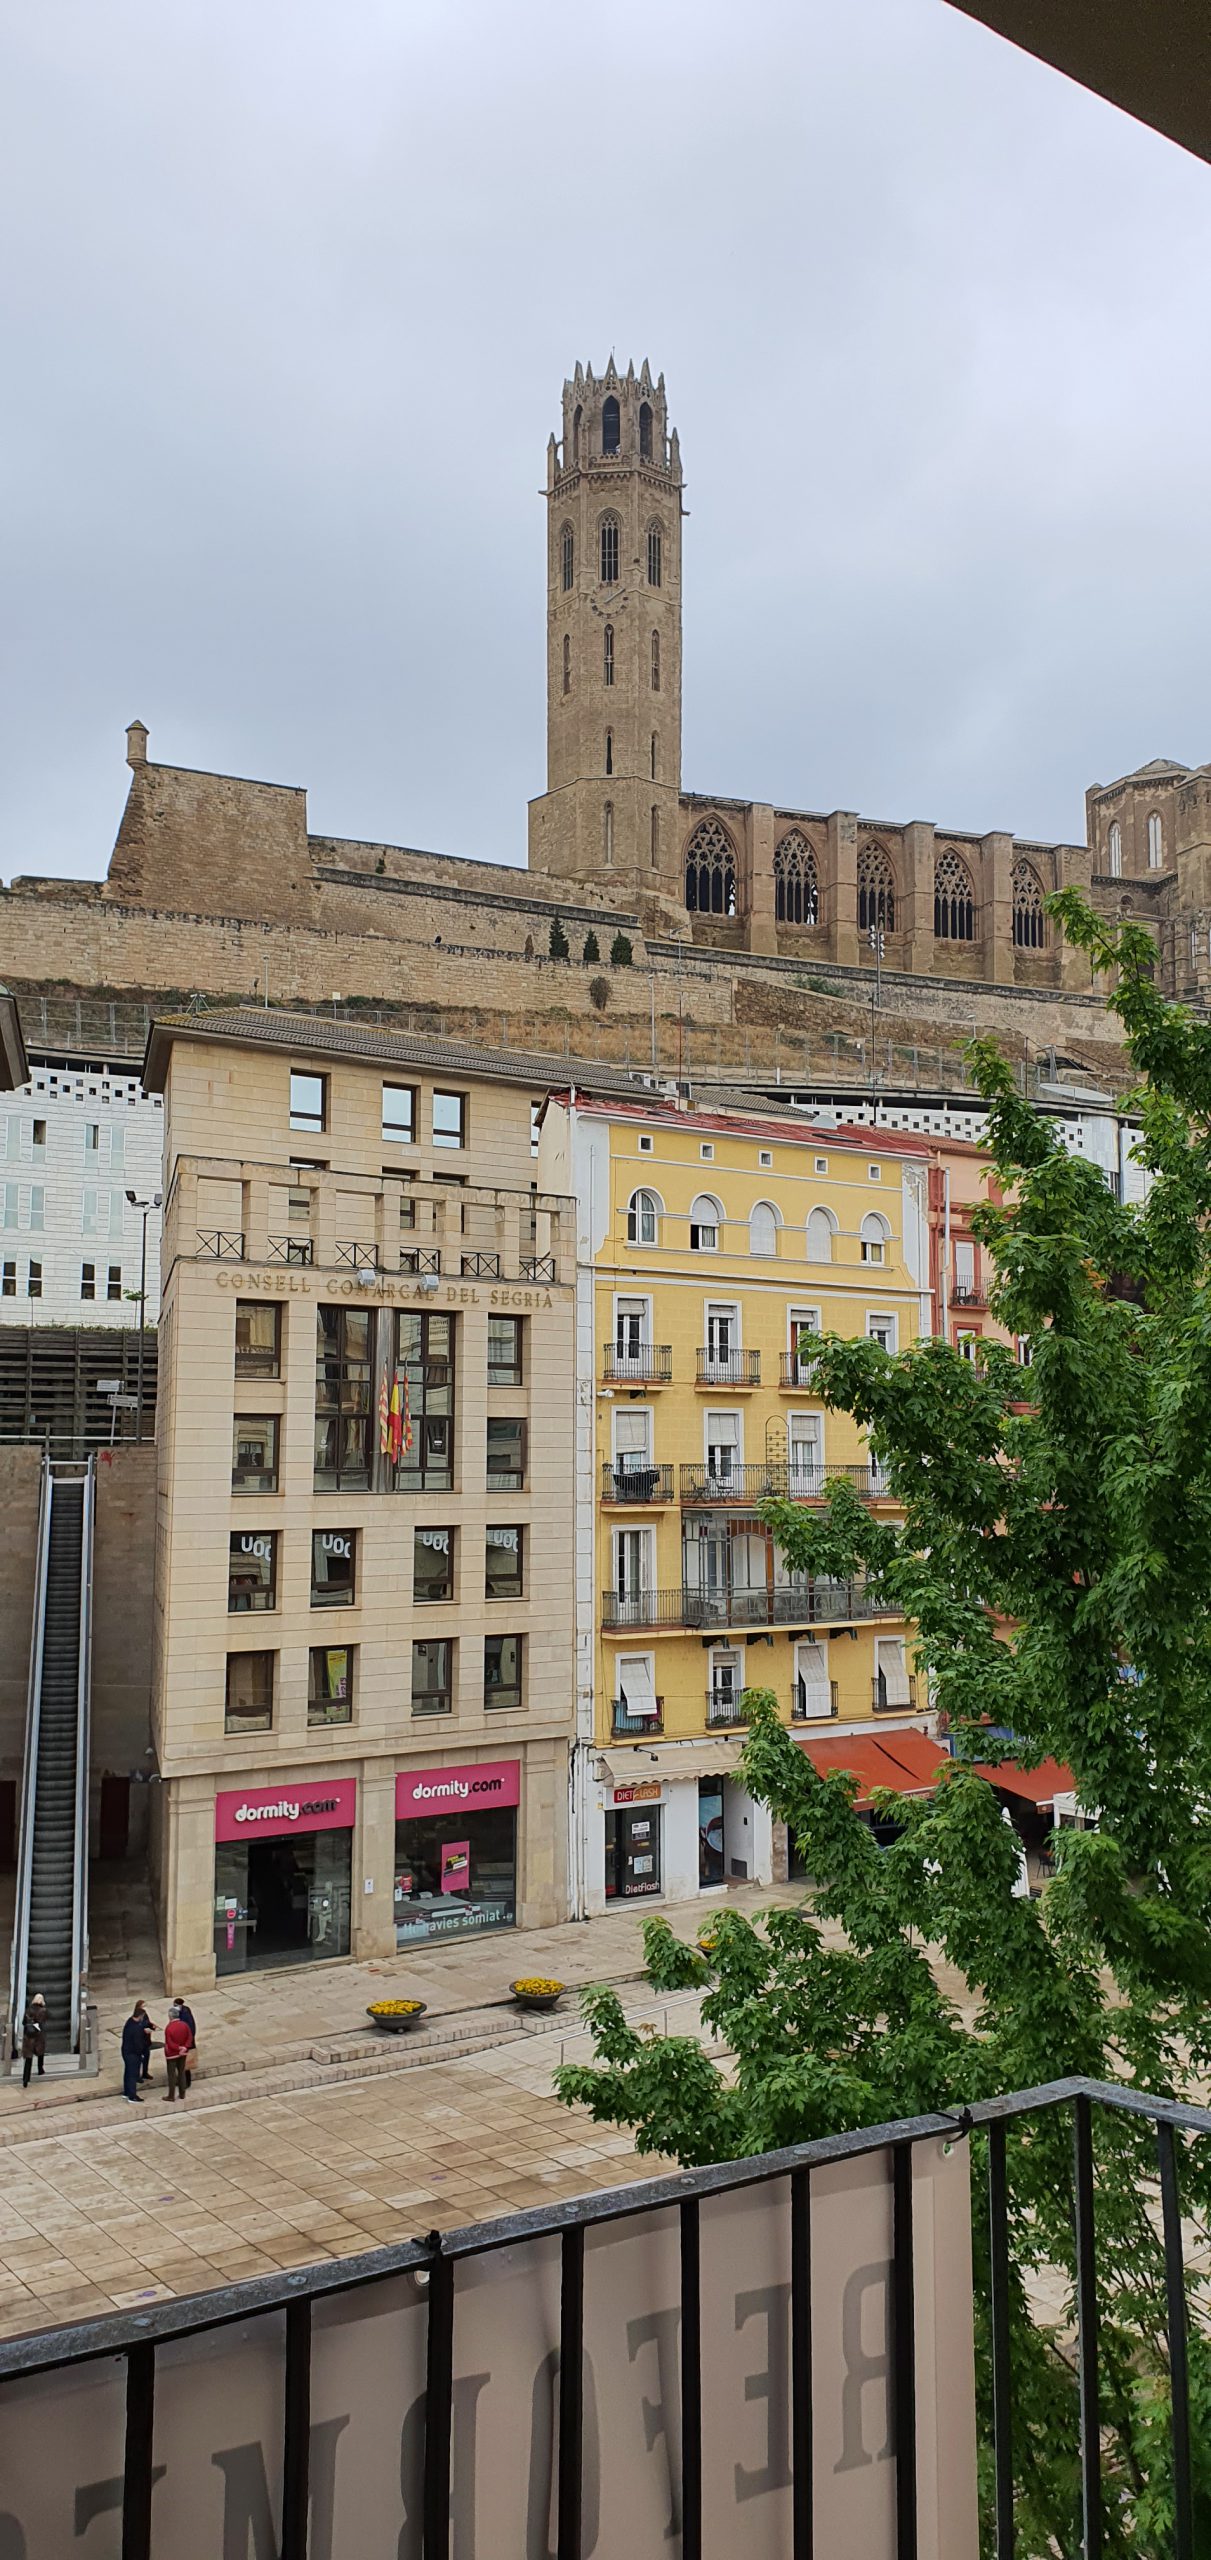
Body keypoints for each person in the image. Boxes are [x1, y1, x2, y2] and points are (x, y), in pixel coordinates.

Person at [162, 2007, 190, 2103]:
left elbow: (170, 2043)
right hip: (183, 2053)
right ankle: (182, 2093)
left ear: (170, 2017)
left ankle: (171, 2095)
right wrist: (184, 2047)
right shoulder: (185, 2025)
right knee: (181, 2072)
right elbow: (189, 2037)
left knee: (172, 2075)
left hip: (172, 2054)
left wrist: (178, 2048)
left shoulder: (169, 2028)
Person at [120, 2006, 148, 2102]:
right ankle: (132, 2096)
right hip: (133, 2054)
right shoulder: (136, 2028)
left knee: (128, 2072)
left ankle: (126, 2092)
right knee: (133, 2074)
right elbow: (138, 2043)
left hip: (126, 2051)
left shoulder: (129, 2022)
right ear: (140, 2016)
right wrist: (141, 2053)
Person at [20, 1993, 46, 2090]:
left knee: (28, 2058)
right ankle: (40, 2069)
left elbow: (23, 2022)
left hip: (28, 2037)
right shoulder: (43, 2011)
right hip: (38, 2037)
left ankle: (25, 2079)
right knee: (40, 2052)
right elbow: (42, 2023)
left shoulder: (28, 2009)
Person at [171, 1997, 197, 2090]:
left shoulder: (185, 2014)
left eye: (176, 2005)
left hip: (185, 2042)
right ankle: (181, 2080)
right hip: (179, 2041)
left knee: (185, 2063)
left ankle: (186, 2082)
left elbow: (190, 2029)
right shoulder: (177, 2012)